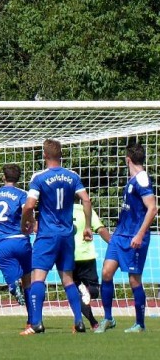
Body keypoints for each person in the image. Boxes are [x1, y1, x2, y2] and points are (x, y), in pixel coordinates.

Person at [20, 139, 93, 335]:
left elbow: (28, 206)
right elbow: (86, 199)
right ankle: (79, 322)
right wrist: (87, 226)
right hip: (67, 235)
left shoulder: (40, 177)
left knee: (37, 277)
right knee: (68, 279)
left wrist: (26, 223)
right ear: (61, 155)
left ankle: (36, 323)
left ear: (44, 155)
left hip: (47, 235)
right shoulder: (72, 176)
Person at [95, 142, 158, 333]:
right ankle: (108, 319)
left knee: (134, 280)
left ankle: (140, 324)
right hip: (120, 235)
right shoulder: (133, 180)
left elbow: (153, 208)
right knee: (106, 273)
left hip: (134, 237)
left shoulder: (142, 179)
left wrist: (139, 234)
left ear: (127, 159)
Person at [0, 164, 32, 328]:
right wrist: (27, 226)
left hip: (3, 241)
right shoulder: (22, 194)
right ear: (18, 178)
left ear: (4, 177)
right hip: (20, 240)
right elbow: (28, 211)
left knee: (12, 276)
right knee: (28, 282)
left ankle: (12, 285)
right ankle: (31, 321)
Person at [72, 196, 111, 331]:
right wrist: (113, 244)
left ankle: (91, 323)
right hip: (86, 255)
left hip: (68, 256)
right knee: (93, 291)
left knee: (75, 293)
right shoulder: (86, 210)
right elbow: (100, 229)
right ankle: (92, 322)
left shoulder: (62, 211)